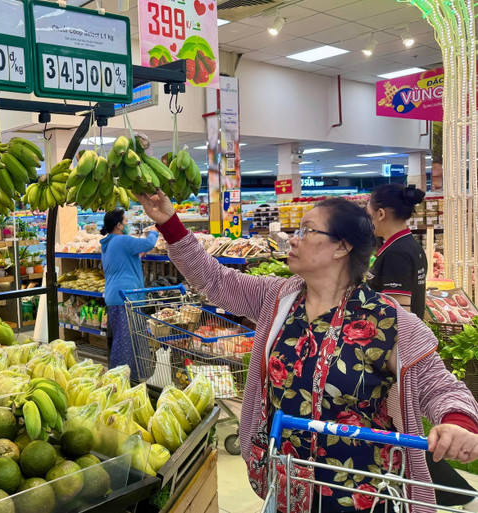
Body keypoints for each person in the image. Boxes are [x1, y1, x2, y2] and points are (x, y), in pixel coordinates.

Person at [137, 191, 478, 512]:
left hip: (362, 492)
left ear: (341, 247)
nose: (293, 239)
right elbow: (214, 279)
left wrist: (457, 423)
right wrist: (169, 222)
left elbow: (440, 386)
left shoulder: (387, 321)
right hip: (287, 483)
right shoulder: (279, 299)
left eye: (307, 230)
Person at [367, 184, 477, 510]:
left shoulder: (398, 252)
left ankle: (454, 493)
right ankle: (454, 493)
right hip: (403, 350)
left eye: (369, 211)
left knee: (402, 431)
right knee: (404, 429)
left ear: (382, 213)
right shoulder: (408, 246)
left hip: (395, 352)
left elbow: (395, 308)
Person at [99, 209, 158, 374]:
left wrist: (136, 256)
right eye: (125, 221)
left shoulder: (109, 243)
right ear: (118, 225)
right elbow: (148, 244)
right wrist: (153, 232)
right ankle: (121, 380)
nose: (127, 224)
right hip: (125, 298)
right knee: (126, 344)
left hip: (115, 297)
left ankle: (125, 376)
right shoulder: (122, 240)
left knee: (122, 340)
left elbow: (121, 263)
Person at [366, 184, 427, 317]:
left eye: (369, 216)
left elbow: (398, 314)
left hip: (398, 337)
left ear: (381, 214)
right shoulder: (410, 244)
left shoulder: (397, 253)